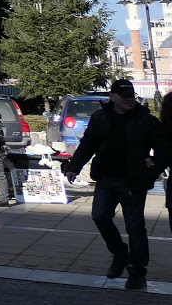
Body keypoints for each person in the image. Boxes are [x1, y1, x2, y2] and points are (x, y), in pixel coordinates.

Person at [64, 78, 170, 290]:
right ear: (112, 97)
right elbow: (88, 144)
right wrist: (74, 166)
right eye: (124, 96)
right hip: (106, 179)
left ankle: (137, 272)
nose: (129, 100)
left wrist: (151, 172)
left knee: (135, 228)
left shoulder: (146, 121)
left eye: (131, 96)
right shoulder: (100, 117)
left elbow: (164, 151)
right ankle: (120, 254)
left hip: (134, 182)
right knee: (100, 216)